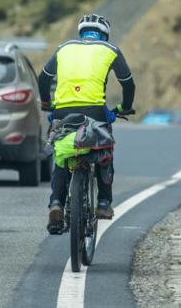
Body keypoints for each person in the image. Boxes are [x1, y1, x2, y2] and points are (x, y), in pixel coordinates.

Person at [38, 13, 135, 234]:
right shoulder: (110, 50)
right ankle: (103, 203)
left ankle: (55, 204)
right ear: (105, 35)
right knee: (105, 148)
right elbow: (128, 84)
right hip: (95, 111)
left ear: (81, 32)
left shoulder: (64, 47)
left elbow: (43, 79)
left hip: (63, 110)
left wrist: (47, 104)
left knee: (62, 155)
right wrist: (125, 107)